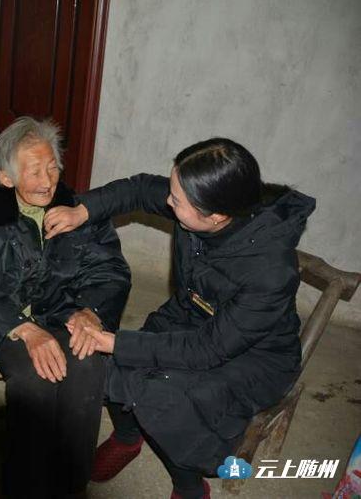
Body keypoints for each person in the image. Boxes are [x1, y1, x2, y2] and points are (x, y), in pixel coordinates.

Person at [43, 137, 315, 499]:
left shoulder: (270, 271)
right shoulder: (200, 200)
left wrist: (116, 342)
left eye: (177, 201)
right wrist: (83, 210)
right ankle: (127, 438)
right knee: (103, 365)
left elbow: (208, 349)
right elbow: (140, 189)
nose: (168, 203)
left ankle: (189, 487)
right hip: (193, 314)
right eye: (172, 193)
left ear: (216, 216)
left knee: (162, 398)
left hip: (254, 356)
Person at [0, 117, 131, 498]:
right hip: (2, 322)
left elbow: (109, 270)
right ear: (6, 177)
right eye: (34, 171)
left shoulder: (79, 212)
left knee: (88, 362)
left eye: (53, 167)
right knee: (35, 379)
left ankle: (71, 485)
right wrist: (24, 328)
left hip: (62, 313)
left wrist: (91, 311)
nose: (47, 181)